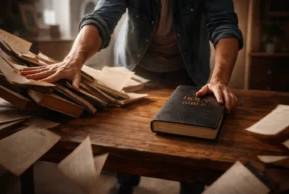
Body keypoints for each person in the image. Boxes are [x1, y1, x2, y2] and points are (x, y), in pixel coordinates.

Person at [21, 0, 243, 193]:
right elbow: (102, 16)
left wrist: (219, 78)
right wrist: (74, 59)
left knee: (192, 143)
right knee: (125, 133)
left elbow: (223, 24)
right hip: (135, 66)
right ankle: (125, 183)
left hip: (189, 69)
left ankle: (191, 188)